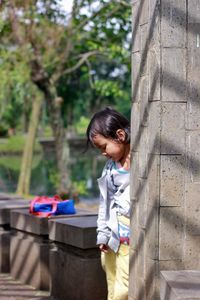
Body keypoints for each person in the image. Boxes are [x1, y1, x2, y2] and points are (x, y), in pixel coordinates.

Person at [86, 107, 131, 300]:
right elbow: (104, 203)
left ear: (120, 135)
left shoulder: (142, 162)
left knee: (124, 289)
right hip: (113, 237)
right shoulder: (110, 169)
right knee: (111, 281)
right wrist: (102, 234)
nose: (103, 153)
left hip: (131, 240)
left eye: (104, 147)